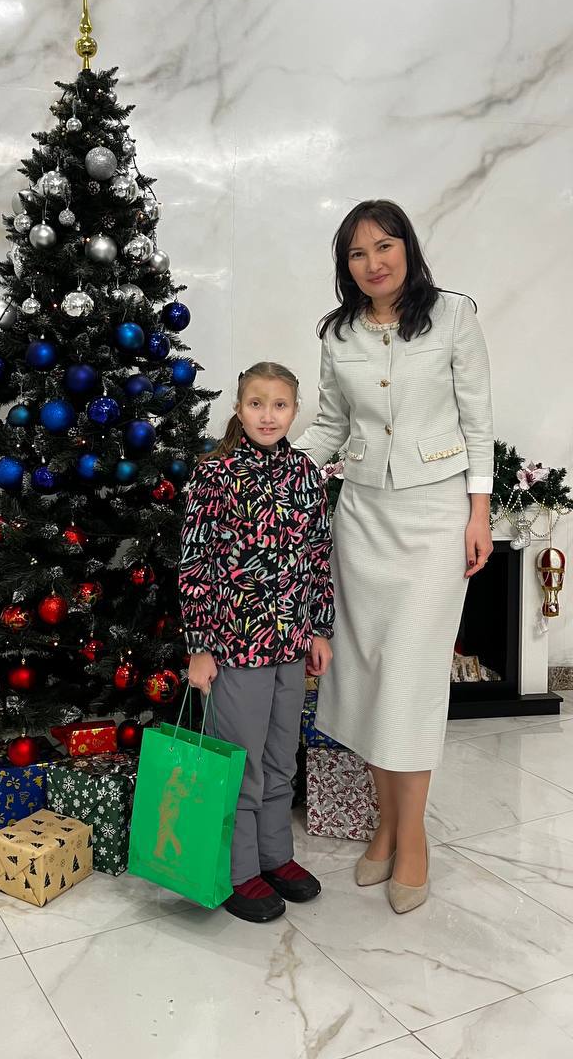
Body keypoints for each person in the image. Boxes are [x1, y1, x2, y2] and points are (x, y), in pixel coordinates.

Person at [295, 199, 494, 913]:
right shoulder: (339, 331)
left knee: (411, 677)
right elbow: (331, 425)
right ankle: (384, 824)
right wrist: (268, 469)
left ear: (407, 247)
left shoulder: (454, 316)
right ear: (344, 265)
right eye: (357, 253)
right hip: (361, 519)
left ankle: (413, 838)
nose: (373, 262)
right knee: (372, 676)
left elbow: (478, 421)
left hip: (436, 516)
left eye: (385, 246)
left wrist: (479, 512)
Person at [180, 362, 335, 924]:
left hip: (290, 642)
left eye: (279, 405)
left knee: (279, 756)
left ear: (294, 411)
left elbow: (318, 557)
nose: (267, 416)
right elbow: (195, 563)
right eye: (256, 404)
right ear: (239, 408)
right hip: (235, 647)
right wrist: (200, 645)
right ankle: (239, 867)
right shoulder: (214, 474)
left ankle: (275, 855)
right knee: (240, 761)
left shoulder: (306, 474)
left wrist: (319, 628)